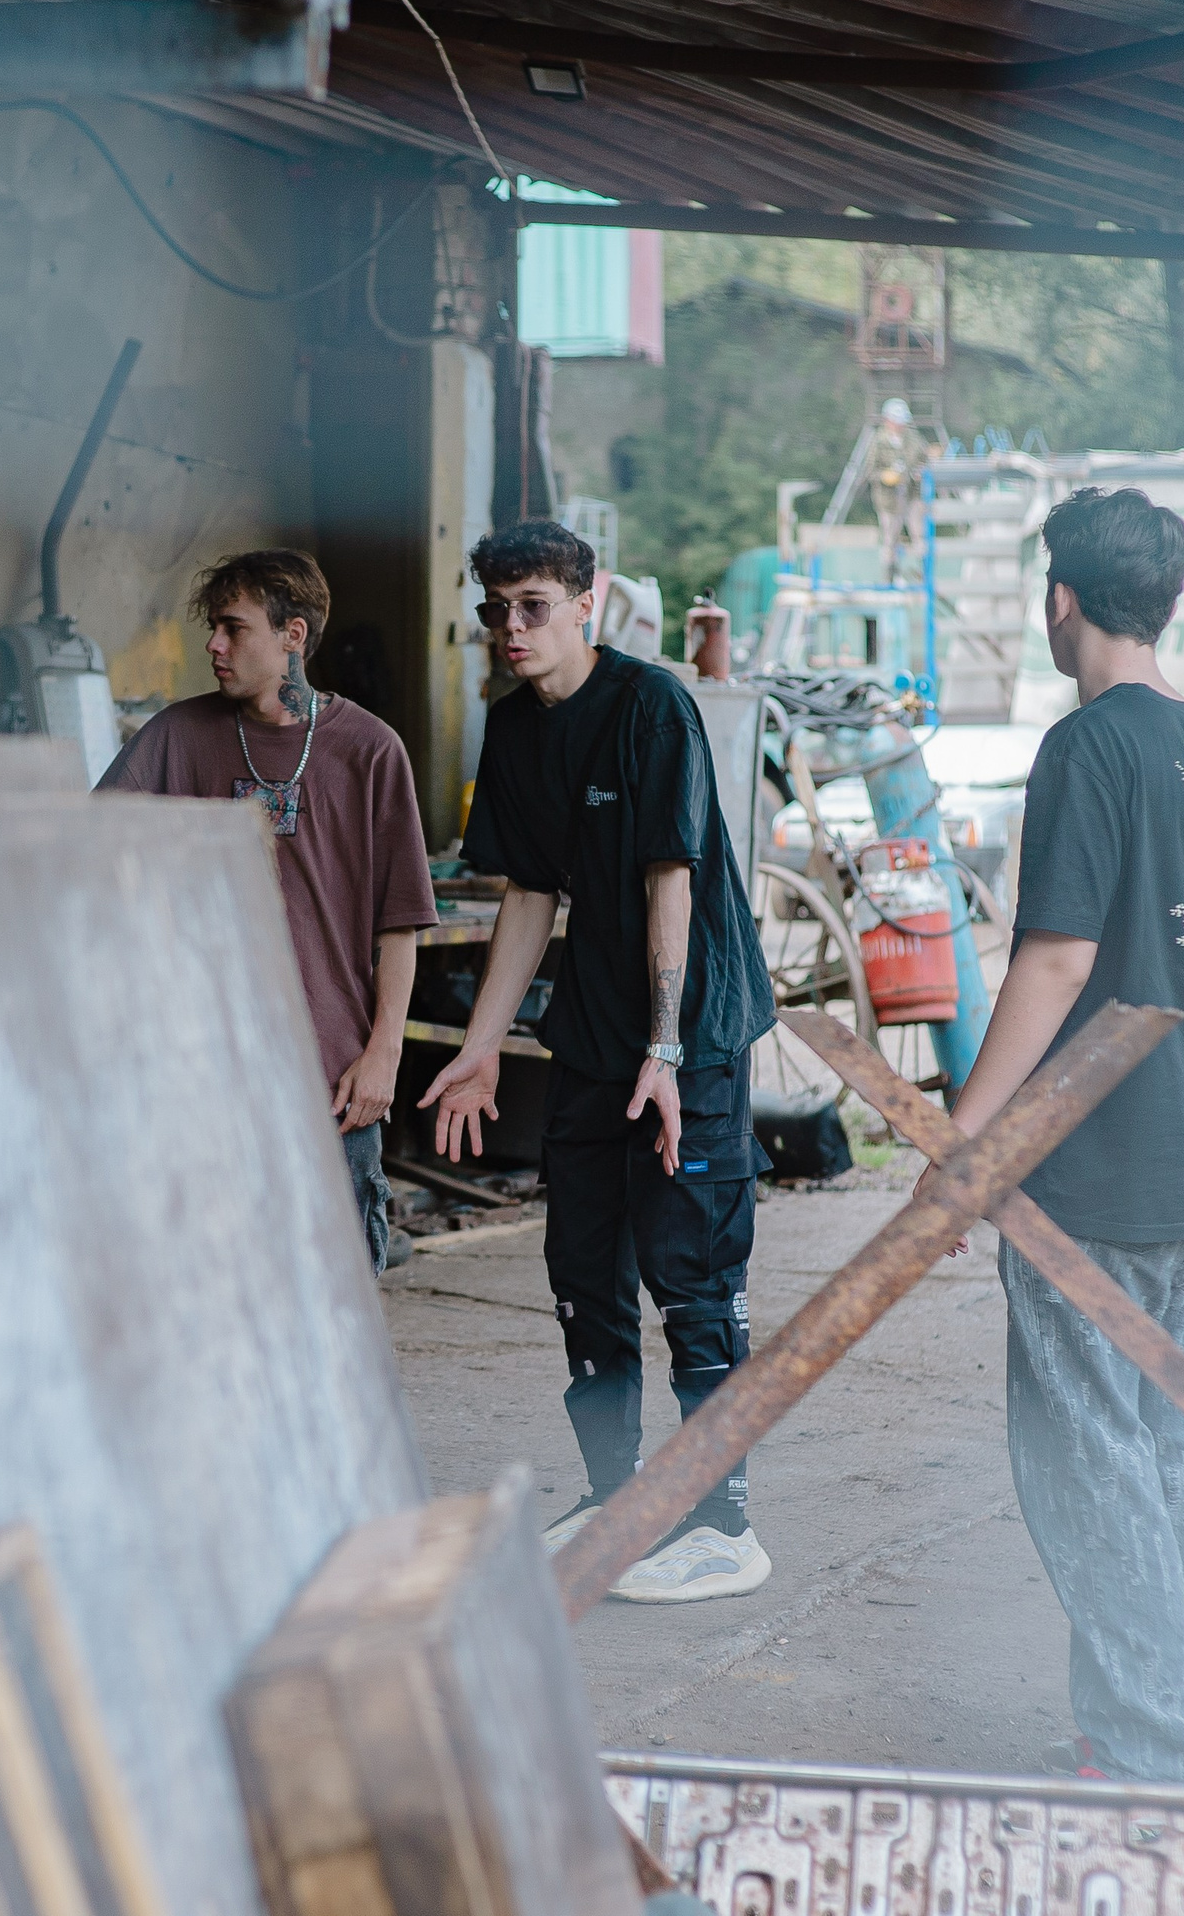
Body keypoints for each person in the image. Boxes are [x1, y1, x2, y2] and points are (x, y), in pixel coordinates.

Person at [934, 485, 1184, 1783]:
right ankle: (1149, 1728)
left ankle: (1147, 1751)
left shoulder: (1086, 750)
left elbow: (1060, 959)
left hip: (1090, 1170)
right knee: (1176, 1452)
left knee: (1087, 1457)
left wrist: (968, 1135)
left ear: (1059, 599)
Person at [419, 519, 775, 1603]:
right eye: (495, 610)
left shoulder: (650, 705)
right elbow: (532, 895)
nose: (510, 629)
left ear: (588, 601)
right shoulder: (514, 728)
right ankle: (616, 1491)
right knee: (582, 1269)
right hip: (588, 1035)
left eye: (531, 606)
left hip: (689, 1034)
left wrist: (665, 1052)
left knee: (691, 1275)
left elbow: (671, 875)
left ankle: (723, 1519)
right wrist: (480, 1050)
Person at [98, 549, 437, 1276]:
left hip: (334, 1080)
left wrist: (384, 1054)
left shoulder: (370, 751)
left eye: (233, 628)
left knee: (337, 1297)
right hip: (203, 1075)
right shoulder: (175, 739)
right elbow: (88, 863)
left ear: (293, 634)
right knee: (210, 1291)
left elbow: (400, 926)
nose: (214, 646)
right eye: (212, 629)